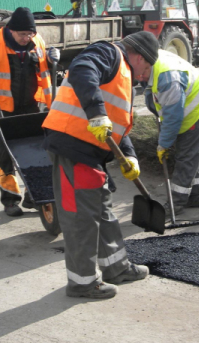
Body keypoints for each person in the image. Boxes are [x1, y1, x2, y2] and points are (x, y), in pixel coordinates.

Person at [42, 31, 159, 299]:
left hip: (90, 152)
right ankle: (82, 283)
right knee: (81, 218)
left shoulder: (124, 73)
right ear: (140, 57)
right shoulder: (109, 53)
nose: (145, 75)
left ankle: (117, 268)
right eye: (147, 67)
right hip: (72, 147)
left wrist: (129, 156)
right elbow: (82, 69)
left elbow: (117, 123)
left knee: (103, 211)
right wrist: (96, 113)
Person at [0, 7, 60, 217]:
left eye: (29, 34)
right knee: (5, 156)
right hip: (2, 110)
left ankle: (34, 196)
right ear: (10, 30)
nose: (26, 38)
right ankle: (10, 200)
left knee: (36, 152)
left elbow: (44, 67)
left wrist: (52, 58)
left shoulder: (37, 42)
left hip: (31, 107)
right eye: (22, 34)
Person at [143, 49, 199, 216]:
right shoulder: (150, 60)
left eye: (142, 74)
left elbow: (174, 118)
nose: (139, 78)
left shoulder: (168, 78)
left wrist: (163, 144)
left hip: (195, 105)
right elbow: (152, 95)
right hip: (184, 101)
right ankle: (196, 195)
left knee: (186, 154)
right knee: (191, 150)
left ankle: (176, 203)